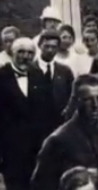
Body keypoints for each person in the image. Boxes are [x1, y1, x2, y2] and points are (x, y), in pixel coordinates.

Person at [31, 74, 98, 190]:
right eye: (88, 99)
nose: (95, 105)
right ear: (76, 100)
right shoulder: (58, 140)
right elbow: (41, 185)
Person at [0, 37, 58, 190]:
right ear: (12, 53)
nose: (25, 57)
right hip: (11, 152)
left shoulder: (39, 75)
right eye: (21, 52)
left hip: (36, 151)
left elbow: (49, 113)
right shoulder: (2, 76)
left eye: (30, 53)